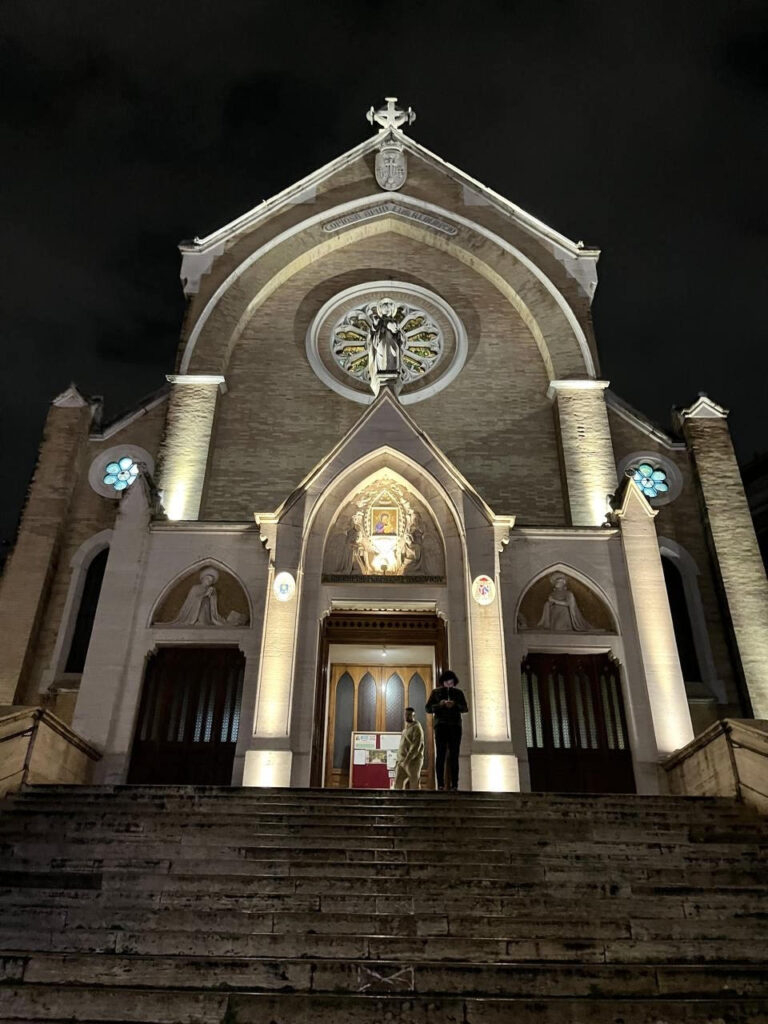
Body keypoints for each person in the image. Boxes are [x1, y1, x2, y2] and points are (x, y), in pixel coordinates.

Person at [426, 670, 468, 791]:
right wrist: (440, 704)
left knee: (454, 755)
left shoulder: (458, 693)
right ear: (442, 682)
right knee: (441, 755)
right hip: (441, 726)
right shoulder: (436, 693)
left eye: (451, 682)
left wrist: (454, 705)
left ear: (454, 682)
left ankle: (454, 784)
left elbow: (465, 708)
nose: (449, 684)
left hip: (455, 726)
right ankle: (440, 784)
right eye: (446, 682)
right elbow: (428, 708)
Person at [392, 707, 425, 790]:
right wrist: (399, 760)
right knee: (397, 783)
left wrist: (407, 760)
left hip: (413, 761)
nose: (407, 716)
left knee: (414, 783)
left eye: (409, 715)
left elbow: (415, 747)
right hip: (401, 760)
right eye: (406, 714)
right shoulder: (405, 729)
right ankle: (396, 801)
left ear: (413, 716)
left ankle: (415, 802)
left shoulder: (417, 728)